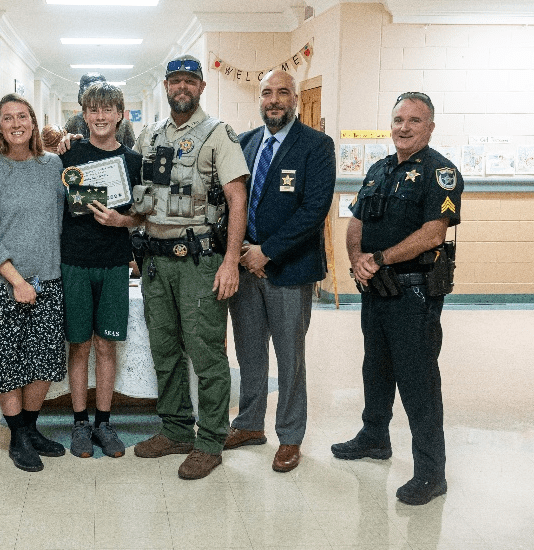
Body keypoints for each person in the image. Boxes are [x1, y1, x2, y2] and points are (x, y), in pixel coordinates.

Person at [332, 92, 463, 505]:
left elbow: (433, 233)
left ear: (430, 127)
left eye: (414, 120)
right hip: (375, 287)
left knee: (418, 380)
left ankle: (430, 472)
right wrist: (357, 259)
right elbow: (356, 220)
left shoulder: (440, 172)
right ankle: (374, 437)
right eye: (398, 119)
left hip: (414, 291)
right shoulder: (379, 169)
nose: (403, 127)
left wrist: (380, 258)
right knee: (376, 367)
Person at [129, 55, 249, 479]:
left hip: (199, 260)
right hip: (156, 264)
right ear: (165, 86)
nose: (182, 87)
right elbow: (141, 201)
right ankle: (176, 429)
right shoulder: (150, 137)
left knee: (206, 353)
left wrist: (231, 260)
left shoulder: (218, 135)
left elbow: (237, 200)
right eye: (175, 80)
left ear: (201, 87)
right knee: (164, 351)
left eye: (190, 81)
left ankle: (212, 439)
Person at [225, 70, 336, 473]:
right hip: (244, 269)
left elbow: (314, 209)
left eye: (283, 93)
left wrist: (266, 252)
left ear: (295, 98)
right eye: (267, 93)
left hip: (289, 270)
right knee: (250, 353)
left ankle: (290, 437)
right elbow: (233, 202)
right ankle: (250, 424)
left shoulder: (317, 146)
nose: (274, 100)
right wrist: (239, 251)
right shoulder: (246, 142)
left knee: (290, 358)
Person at [0, 93, 67, 472]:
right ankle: (17, 437)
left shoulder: (52, 165)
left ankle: (30, 427)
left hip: (49, 280)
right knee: (6, 363)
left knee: (42, 362)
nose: (16, 123)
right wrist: (15, 280)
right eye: (7, 118)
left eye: (22, 116)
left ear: (33, 122)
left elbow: (70, 211)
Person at [59, 82, 143, 458]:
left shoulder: (133, 161)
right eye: (94, 110)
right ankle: (80, 423)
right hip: (74, 261)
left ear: (120, 114)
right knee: (78, 345)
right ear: (84, 114)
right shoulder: (69, 155)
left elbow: (144, 214)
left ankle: (104, 423)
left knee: (106, 344)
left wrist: (120, 221)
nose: (101, 117)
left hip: (113, 264)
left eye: (108, 110)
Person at [65, 73, 136, 149]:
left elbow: (130, 149)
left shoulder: (123, 124)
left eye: (107, 110)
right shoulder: (73, 122)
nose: (100, 117)